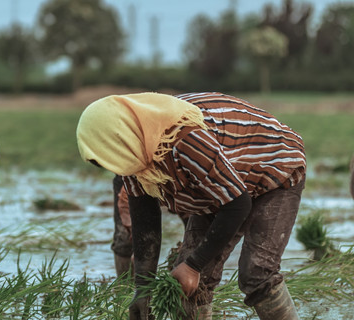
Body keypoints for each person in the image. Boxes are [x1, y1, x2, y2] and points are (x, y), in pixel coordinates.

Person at [76, 92, 306, 320]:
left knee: (256, 272)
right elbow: (146, 222)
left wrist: (194, 265)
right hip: (223, 185)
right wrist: (143, 289)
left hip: (273, 169)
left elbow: (237, 204)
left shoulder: (182, 139)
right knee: (186, 282)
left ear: (121, 138)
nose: (116, 166)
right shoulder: (135, 156)